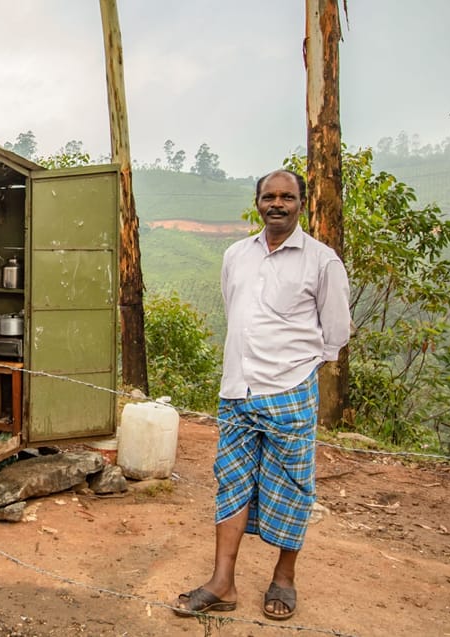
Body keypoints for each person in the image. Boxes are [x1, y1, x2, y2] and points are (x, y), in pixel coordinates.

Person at [174, 169, 351, 621]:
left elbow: (335, 335)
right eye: (269, 196)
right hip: (237, 389)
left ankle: (284, 579)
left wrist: (294, 370)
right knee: (232, 483)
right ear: (257, 203)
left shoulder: (322, 261)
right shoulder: (236, 255)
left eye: (286, 197)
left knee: (292, 487)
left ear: (301, 203)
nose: (277, 203)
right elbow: (235, 311)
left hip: (290, 391)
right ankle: (222, 583)